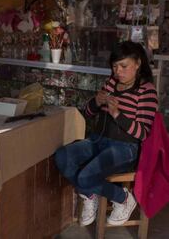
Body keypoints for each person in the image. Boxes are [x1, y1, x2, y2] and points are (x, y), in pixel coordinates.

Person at [54, 41, 158, 227]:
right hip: (97, 141)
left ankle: (123, 199)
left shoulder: (146, 91)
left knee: (85, 177)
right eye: (115, 66)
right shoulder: (111, 83)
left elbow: (143, 133)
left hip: (125, 149)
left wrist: (118, 114)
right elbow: (87, 113)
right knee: (62, 156)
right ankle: (89, 193)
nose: (118, 71)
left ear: (138, 63)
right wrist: (95, 101)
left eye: (124, 66)